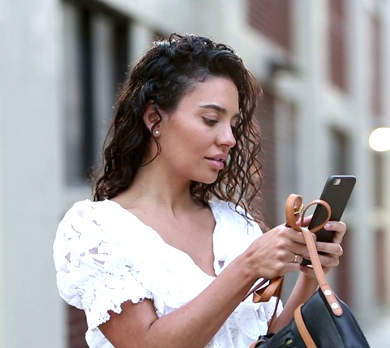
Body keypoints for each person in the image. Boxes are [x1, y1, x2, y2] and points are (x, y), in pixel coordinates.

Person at [53, 33, 347, 348]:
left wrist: (310, 274)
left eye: (233, 124)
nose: (229, 139)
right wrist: (246, 268)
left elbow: (268, 339)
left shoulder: (236, 224)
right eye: (210, 120)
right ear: (154, 118)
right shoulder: (97, 229)